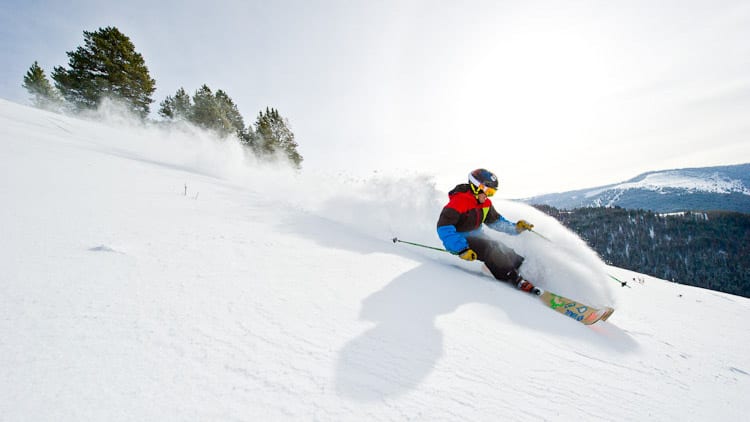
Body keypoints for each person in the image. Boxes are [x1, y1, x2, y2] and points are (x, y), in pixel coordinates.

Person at [436, 168, 541, 295]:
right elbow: (443, 227)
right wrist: (461, 249)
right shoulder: (459, 202)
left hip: (477, 236)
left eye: (491, 192)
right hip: (461, 241)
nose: (488, 195)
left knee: (502, 247)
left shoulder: (485, 203)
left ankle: (523, 268)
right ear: (476, 187)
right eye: (487, 191)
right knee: (490, 249)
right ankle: (514, 278)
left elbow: (496, 222)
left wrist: (516, 228)